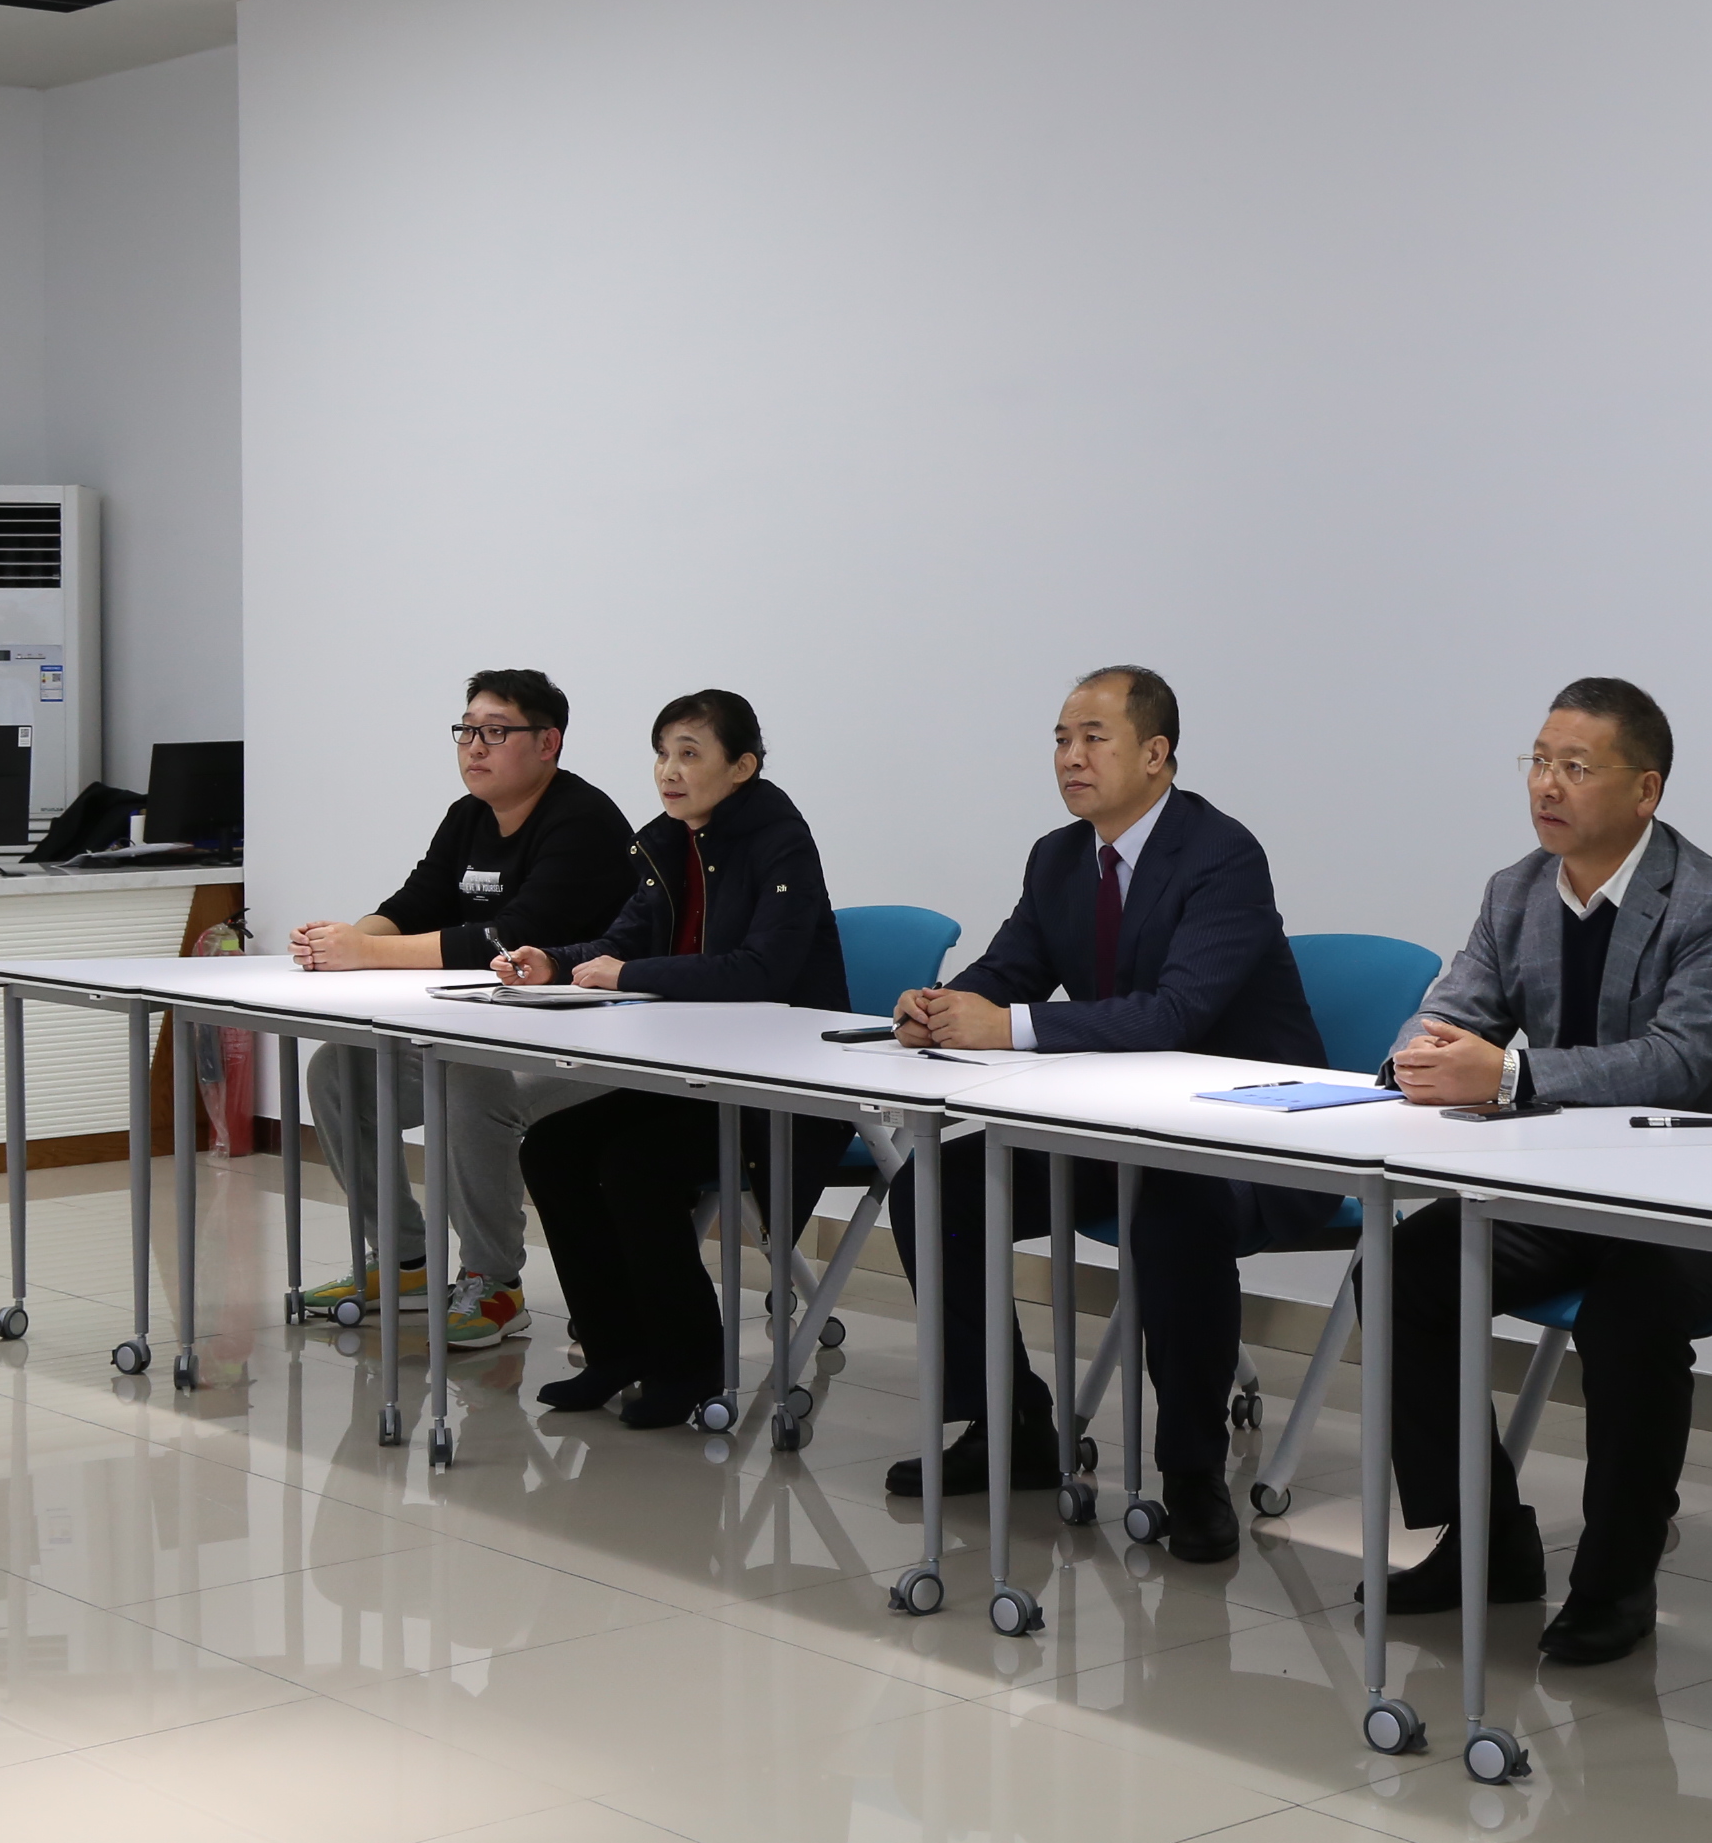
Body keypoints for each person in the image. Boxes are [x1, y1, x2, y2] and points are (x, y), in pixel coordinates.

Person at [1365, 678, 1712, 1665]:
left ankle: (1616, 1580)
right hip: (1572, 1190)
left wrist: (1508, 1074)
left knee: (1629, 1310)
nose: (1546, 784)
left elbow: (1675, 1062)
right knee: (1406, 1266)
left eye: (1575, 766)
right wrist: (1419, 1056)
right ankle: (1483, 1543)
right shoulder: (1517, 889)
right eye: (1537, 761)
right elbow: (1454, 1005)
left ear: (1646, 789)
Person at [882, 665, 1328, 1564]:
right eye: (1060, 739)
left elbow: (1175, 1014)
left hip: (1251, 1137)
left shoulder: (1222, 855)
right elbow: (1007, 973)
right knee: (937, 1186)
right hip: (1119, 1127)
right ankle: (1010, 1424)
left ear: (1156, 754)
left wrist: (1006, 1026)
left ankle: (1193, 1471)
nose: (1070, 757)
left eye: (1093, 738)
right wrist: (940, 1006)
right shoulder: (1058, 858)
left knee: (1174, 1208)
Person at [503, 690, 851, 1429]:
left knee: (635, 1164)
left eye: (690, 753)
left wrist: (628, 974)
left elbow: (764, 971)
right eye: (662, 753)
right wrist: (553, 963)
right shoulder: (669, 840)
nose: (669, 770)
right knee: (552, 1148)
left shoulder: (779, 842)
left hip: (777, 1086)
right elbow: (621, 942)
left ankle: (690, 1363)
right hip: (693, 1076)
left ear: (742, 767)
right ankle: (615, 1350)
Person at [288, 669, 636, 1345]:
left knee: (470, 1079)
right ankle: (405, 1263)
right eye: (467, 730)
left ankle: (495, 1283)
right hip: (499, 1029)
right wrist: (341, 940)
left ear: (548, 743)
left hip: (596, 1042)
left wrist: (365, 951)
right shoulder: (468, 816)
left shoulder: (582, 821)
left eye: (496, 732)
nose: (475, 746)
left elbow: (505, 938)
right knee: (339, 1071)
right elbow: (413, 904)